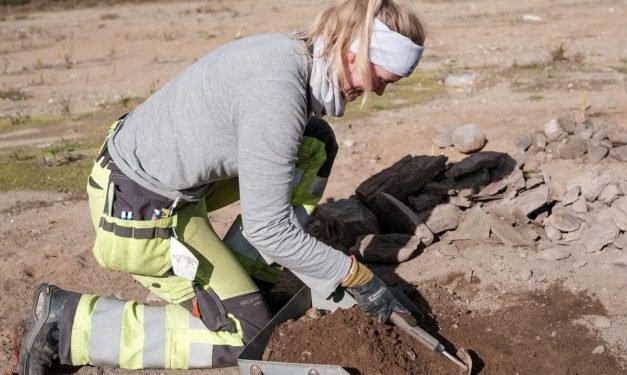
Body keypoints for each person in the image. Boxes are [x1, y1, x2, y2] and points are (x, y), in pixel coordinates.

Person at [17, 0, 425, 372]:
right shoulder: (276, 93)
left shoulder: (294, 56)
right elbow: (269, 226)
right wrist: (355, 277)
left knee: (313, 142)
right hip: (140, 209)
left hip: (172, 187)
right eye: (381, 78)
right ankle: (71, 325)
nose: (379, 91)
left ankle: (248, 278)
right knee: (245, 336)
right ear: (353, 51)